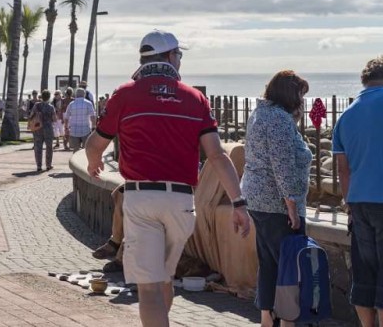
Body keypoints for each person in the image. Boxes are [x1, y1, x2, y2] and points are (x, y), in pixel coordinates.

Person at [85, 29, 250, 326]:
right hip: (181, 202)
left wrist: (94, 161)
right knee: (165, 279)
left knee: (148, 289)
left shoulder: (125, 94)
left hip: (141, 198)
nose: (180, 60)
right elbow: (217, 155)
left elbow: (95, 143)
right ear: (171, 57)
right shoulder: (195, 98)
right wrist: (238, 203)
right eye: (179, 54)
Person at [241, 70, 312, 327]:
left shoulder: (260, 114)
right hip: (277, 204)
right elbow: (282, 165)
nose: (302, 100)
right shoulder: (279, 119)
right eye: (300, 94)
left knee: (269, 263)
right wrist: (291, 204)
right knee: (289, 266)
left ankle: (267, 318)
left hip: (258, 200)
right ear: (289, 94)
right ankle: (287, 320)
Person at [334, 56, 383, 327]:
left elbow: (343, 170)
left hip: (359, 202)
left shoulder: (346, 115)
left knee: (364, 275)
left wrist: (349, 204)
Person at [29, 89, 56, 172]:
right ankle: (48, 165)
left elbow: (31, 115)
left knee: (38, 147)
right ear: (49, 97)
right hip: (48, 128)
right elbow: (54, 119)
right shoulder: (51, 107)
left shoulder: (36, 105)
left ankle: (39, 166)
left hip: (38, 128)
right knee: (49, 147)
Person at [64, 87, 96, 152]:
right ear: (84, 94)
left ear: (76, 95)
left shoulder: (71, 104)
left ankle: (75, 157)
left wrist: (66, 128)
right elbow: (93, 116)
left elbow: (66, 117)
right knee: (85, 150)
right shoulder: (88, 103)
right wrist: (93, 127)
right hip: (85, 130)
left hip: (74, 130)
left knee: (75, 150)